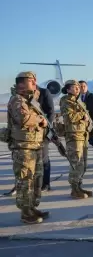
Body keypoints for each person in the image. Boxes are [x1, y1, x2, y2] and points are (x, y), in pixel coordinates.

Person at [8, 71, 49, 223]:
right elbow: (23, 118)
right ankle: (25, 213)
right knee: (25, 181)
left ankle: (32, 207)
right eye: (32, 81)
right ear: (22, 83)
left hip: (35, 146)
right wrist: (40, 119)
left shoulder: (30, 101)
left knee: (36, 180)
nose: (35, 83)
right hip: (23, 148)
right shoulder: (17, 100)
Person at [60, 80, 93, 199]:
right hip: (74, 136)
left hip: (83, 135)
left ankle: (79, 186)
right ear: (68, 89)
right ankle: (74, 189)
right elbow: (69, 117)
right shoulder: (66, 101)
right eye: (74, 87)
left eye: (78, 87)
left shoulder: (79, 102)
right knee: (76, 163)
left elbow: (86, 117)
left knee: (83, 164)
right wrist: (82, 116)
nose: (77, 89)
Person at [37, 84, 54, 191]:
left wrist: (47, 127)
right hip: (29, 134)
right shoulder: (22, 95)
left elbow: (51, 112)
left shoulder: (44, 92)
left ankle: (46, 184)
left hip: (43, 130)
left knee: (44, 159)